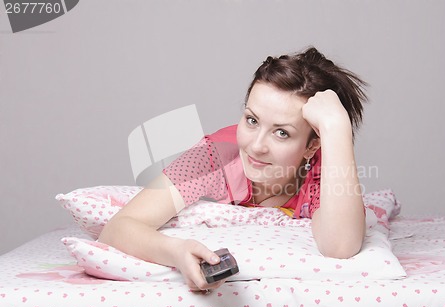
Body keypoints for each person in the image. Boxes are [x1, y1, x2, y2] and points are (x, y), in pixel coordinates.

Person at [99, 47, 367, 291]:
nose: (256, 145)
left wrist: (336, 126)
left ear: (312, 147)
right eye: (251, 120)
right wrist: (177, 252)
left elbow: (340, 246)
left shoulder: (321, 168)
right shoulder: (212, 157)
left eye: (282, 133)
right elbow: (118, 228)